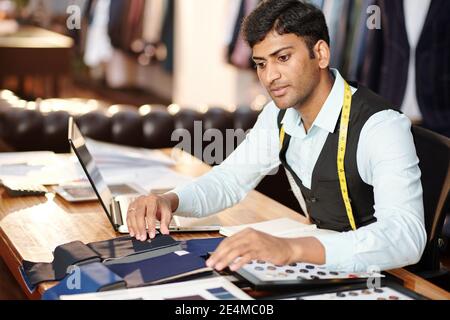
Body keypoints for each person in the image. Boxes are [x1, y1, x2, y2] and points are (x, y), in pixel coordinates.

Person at [126, 0, 426, 273]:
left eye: (282, 57)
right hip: (323, 268)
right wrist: (170, 200)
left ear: (320, 53)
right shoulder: (279, 115)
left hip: (387, 276)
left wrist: (289, 249)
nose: (270, 76)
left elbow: (406, 236)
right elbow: (229, 180)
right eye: (261, 63)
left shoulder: (381, 126)